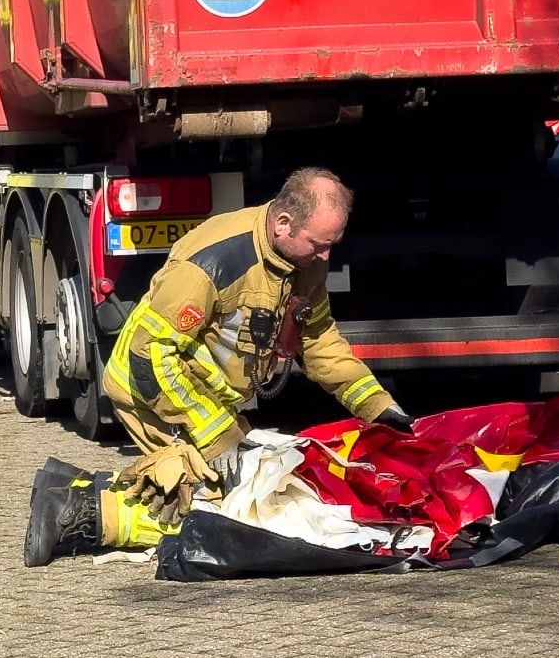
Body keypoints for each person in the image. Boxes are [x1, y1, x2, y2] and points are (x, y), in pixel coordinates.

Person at [24, 168, 416, 566]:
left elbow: (318, 341)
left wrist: (377, 407)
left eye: (332, 245)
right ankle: (77, 515)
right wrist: (218, 437)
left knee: (253, 485)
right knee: (221, 510)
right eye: (318, 244)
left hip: (200, 395)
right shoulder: (211, 264)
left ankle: (73, 487)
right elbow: (151, 357)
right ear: (283, 224)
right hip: (150, 388)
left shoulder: (304, 261)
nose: (326, 257)